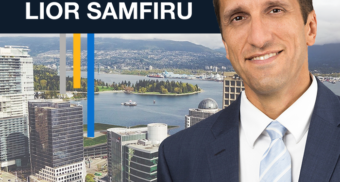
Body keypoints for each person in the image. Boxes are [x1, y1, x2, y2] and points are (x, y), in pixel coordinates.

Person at [157, 0, 340, 181]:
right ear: (226, 45)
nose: (258, 39)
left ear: (311, 28)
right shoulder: (177, 158)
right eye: (238, 18)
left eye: (275, 10)